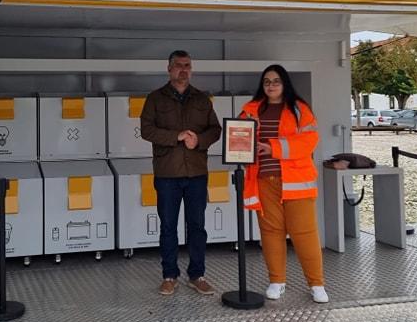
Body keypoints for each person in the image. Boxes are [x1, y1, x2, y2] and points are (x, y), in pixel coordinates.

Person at [239, 64, 328, 303]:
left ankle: (316, 284)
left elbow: (309, 141)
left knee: (304, 234)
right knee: (271, 233)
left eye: (276, 81)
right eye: (266, 81)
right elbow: (239, 138)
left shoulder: (299, 109)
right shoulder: (250, 110)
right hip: (263, 181)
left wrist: (274, 148)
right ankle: (277, 281)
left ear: (284, 83)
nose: (271, 85)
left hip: (296, 182)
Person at [140, 50, 222, 296]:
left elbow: (215, 130)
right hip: (167, 174)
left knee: (197, 226)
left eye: (187, 65)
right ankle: (169, 275)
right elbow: (146, 130)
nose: (183, 70)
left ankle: (197, 275)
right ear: (169, 69)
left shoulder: (202, 99)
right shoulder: (155, 98)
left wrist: (199, 140)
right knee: (168, 226)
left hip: (196, 172)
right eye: (178, 65)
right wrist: (175, 136)